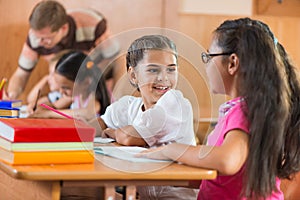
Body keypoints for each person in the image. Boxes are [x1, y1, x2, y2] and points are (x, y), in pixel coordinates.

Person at [138, 18, 300, 199]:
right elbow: (224, 177)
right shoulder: (249, 108)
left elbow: (227, 161)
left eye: (208, 57)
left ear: (232, 63)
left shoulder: (244, 110)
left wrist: (172, 149)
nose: (206, 65)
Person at [96, 35, 198, 199]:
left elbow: (129, 137)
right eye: (153, 70)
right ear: (133, 75)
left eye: (171, 69)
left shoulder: (176, 106)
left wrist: (113, 133)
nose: (164, 77)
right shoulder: (129, 105)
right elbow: (94, 127)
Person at [4, 0, 120, 100]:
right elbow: (21, 73)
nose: (39, 42)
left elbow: (118, 59)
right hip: (68, 88)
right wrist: (11, 95)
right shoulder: (35, 38)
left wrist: (115, 95)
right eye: (36, 36)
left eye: (46, 39)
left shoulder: (92, 23)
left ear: (63, 28)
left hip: (94, 81)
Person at [29, 50, 110, 118]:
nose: (61, 92)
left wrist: (50, 114)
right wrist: (40, 107)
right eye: (60, 87)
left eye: (66, 88)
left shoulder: (93, 96)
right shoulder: (75, 95)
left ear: (86, 82)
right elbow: (54, 106)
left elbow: (88, 113)